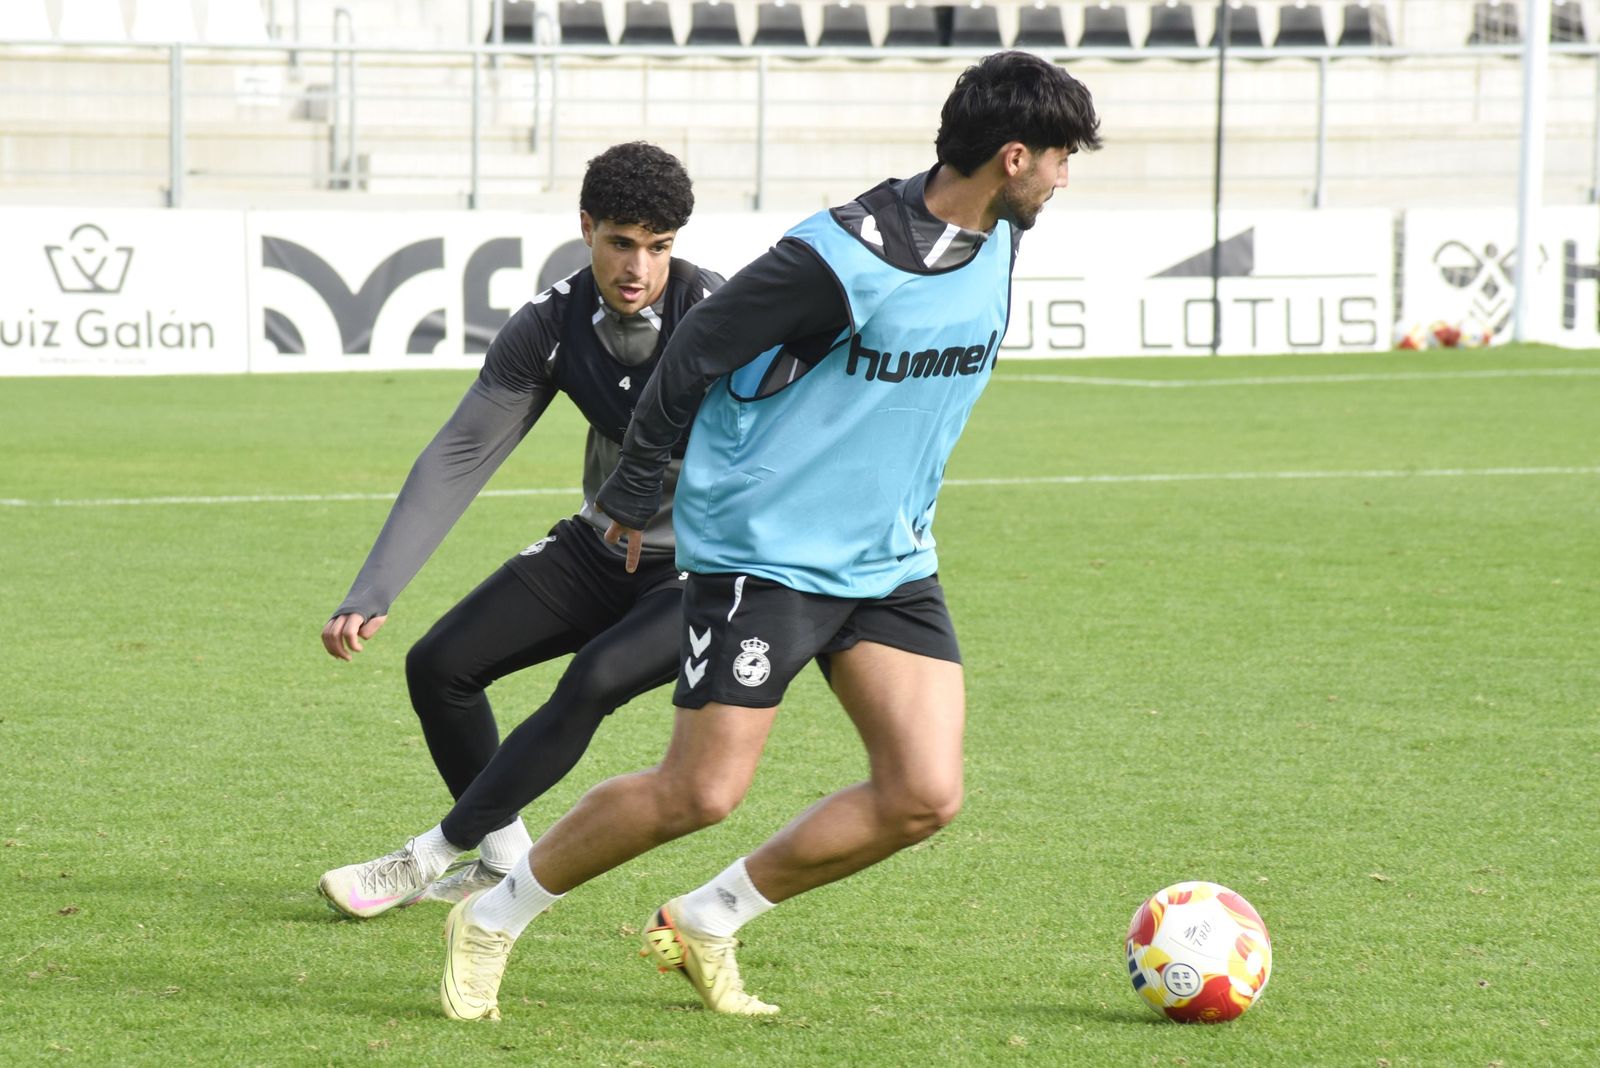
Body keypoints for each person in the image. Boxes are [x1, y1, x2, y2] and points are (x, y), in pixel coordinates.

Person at [433, 51, 1102, 1023]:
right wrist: (636, 488)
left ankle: (709, 916)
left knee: (922, 794)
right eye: (1059, 158)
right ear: (1012, 157)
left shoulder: (997, 238)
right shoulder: (841, 255)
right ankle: (494, 914)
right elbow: (694, 352)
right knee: (697, 793)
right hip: (768, 560)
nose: (1063, 178)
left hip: (889, 560)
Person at [316, 142, 725, 919]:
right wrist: (374, 588)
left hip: (705, 568)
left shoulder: (720, 315)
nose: (638, 267)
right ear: (586, 227)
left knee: (593, 678)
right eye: (621, 242)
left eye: (659, 246)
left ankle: (426, 855)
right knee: (440, 665)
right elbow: (461, 453)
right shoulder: (548, 325)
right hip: (601, 545)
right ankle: (501, 859)